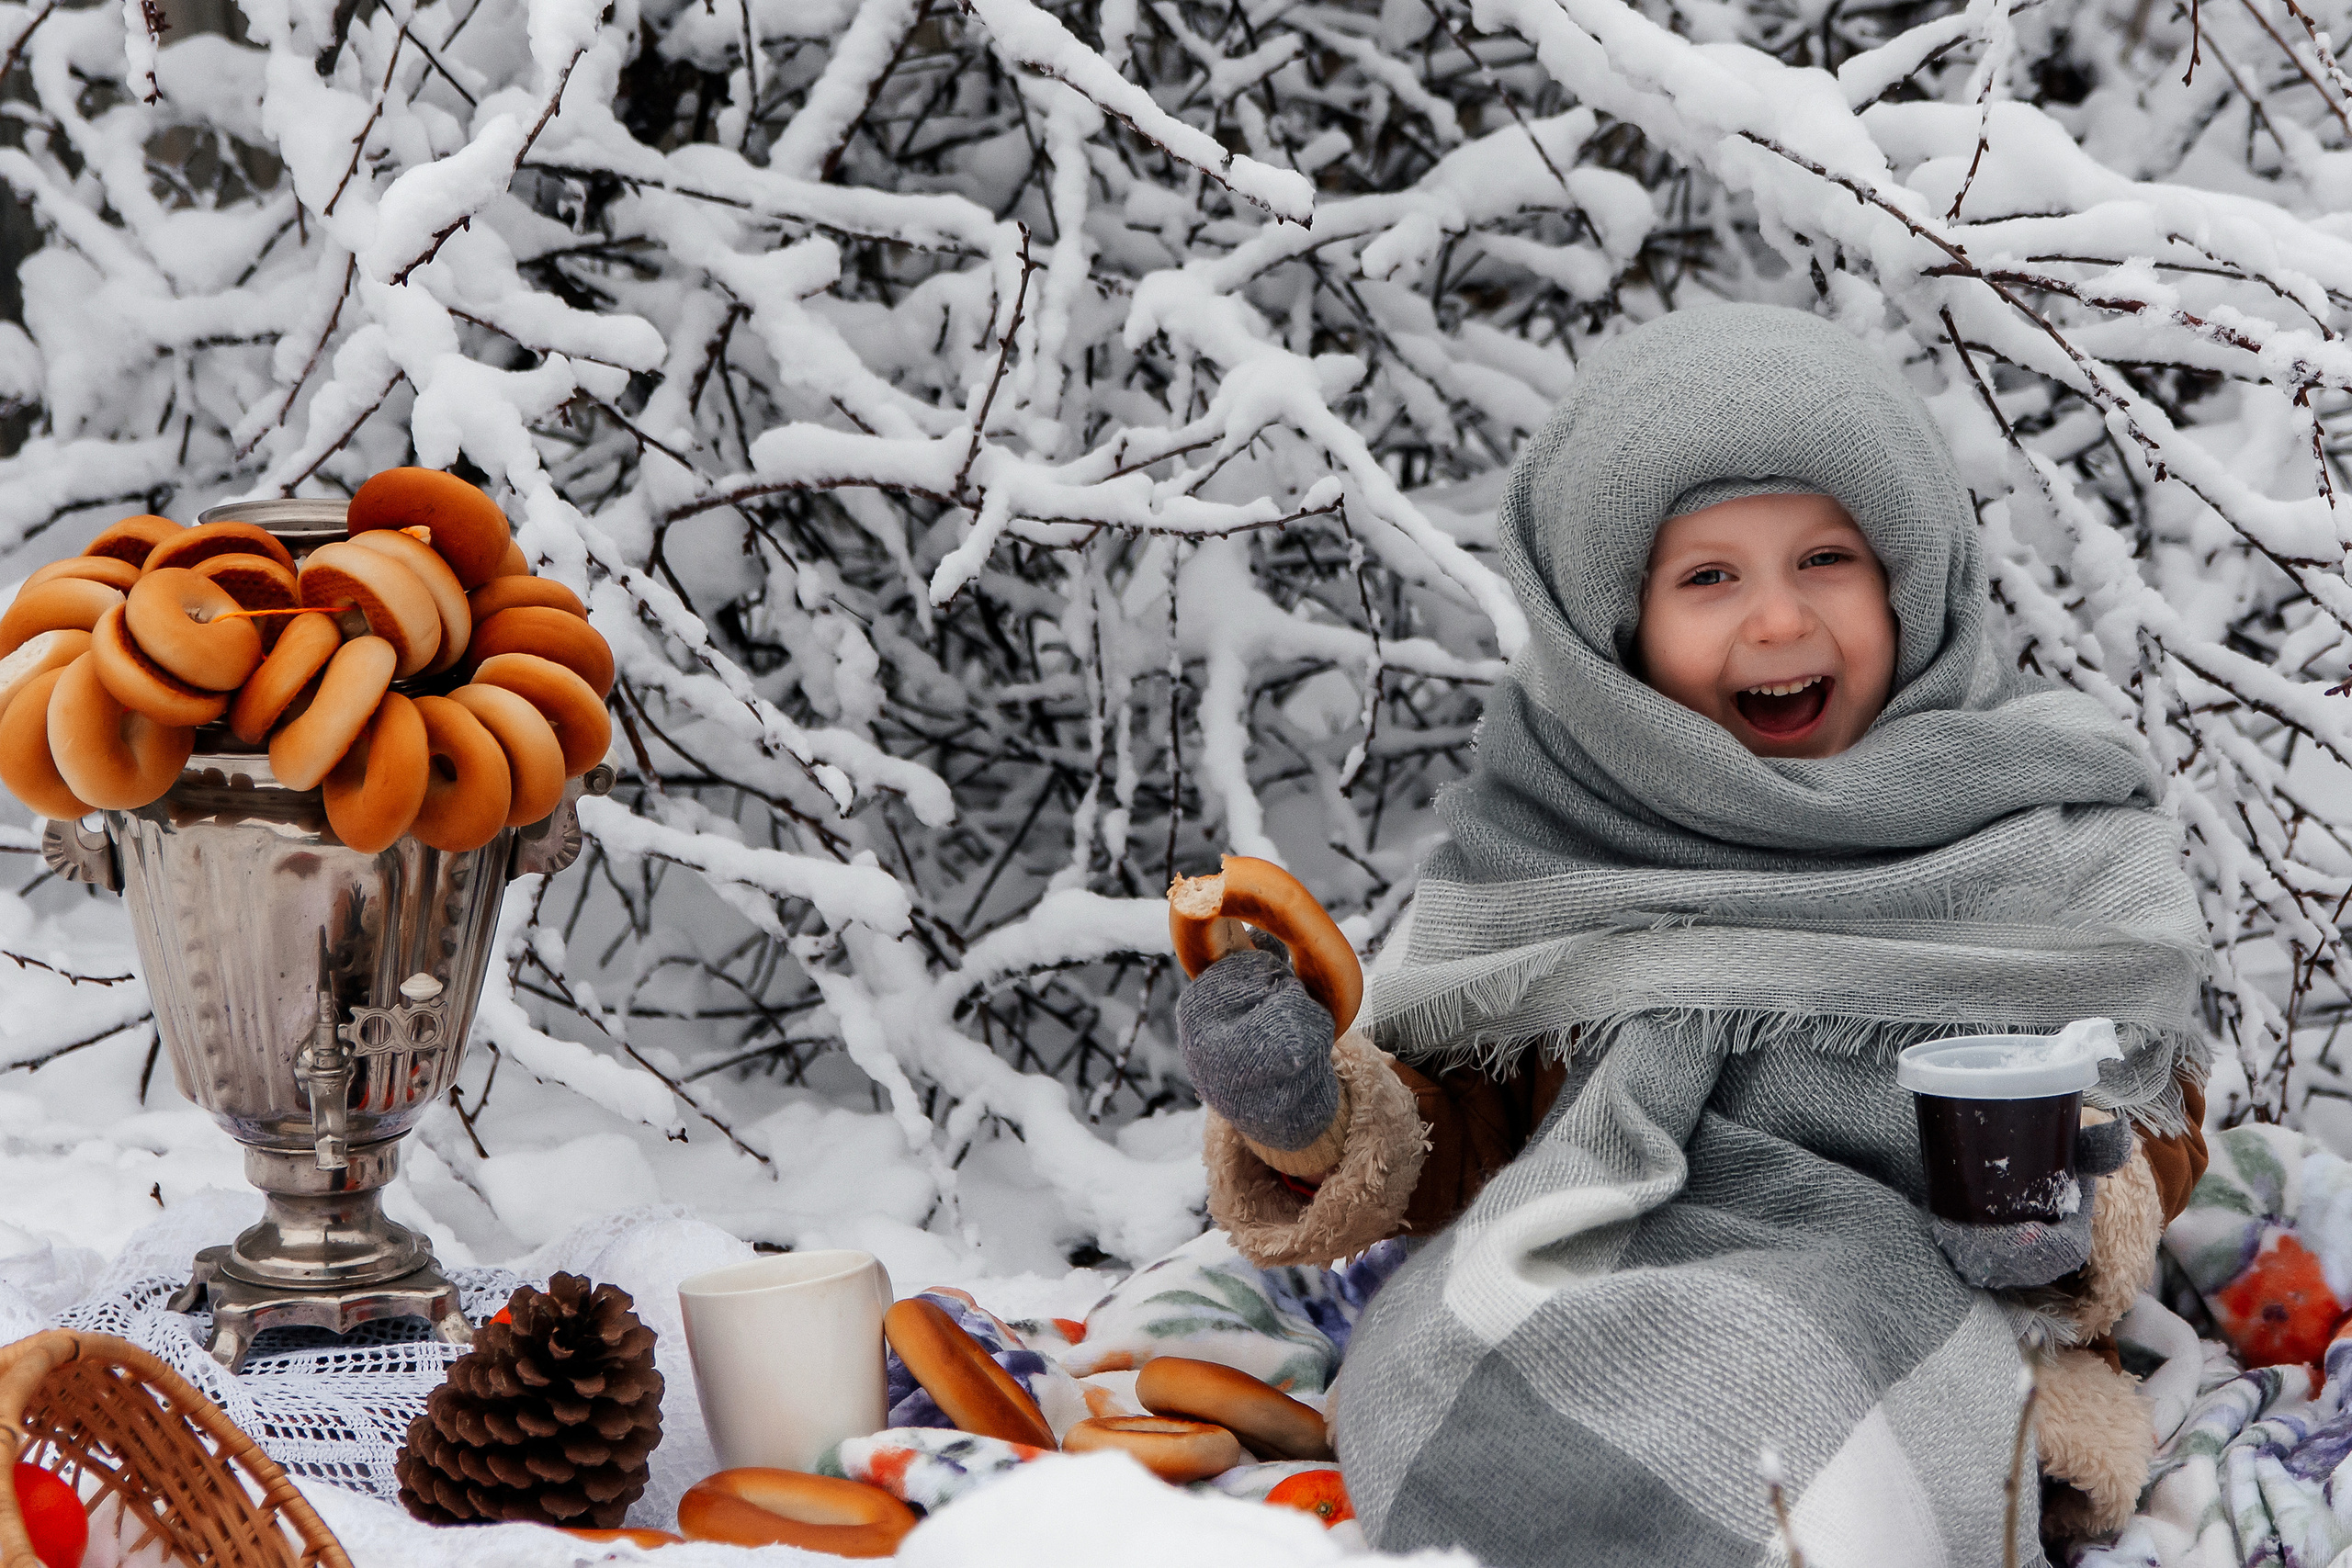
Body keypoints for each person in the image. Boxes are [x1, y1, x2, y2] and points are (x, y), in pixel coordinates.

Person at [1175, 304, 2209, 1567]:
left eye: (1826, 560)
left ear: (1912, 576)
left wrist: (2071, 1201)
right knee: (1459, 1361)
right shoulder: (1558, 847)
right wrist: (1311, 1117)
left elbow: (2154, 1103)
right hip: (1583, 1263)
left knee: (1792, 1404)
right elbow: (1453, 1135)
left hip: (1916, 1284)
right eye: (1709, 577)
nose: (1777, 622)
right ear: (1616, 633)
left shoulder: (2039, 831)